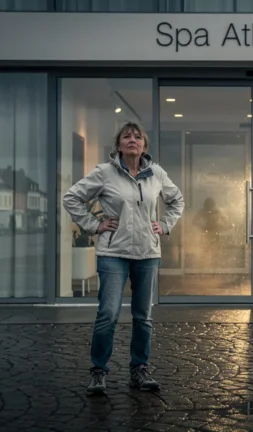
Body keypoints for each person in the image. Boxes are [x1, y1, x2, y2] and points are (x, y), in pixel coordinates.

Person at [63, 121, 184, 393]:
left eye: (137, 136)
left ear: (144, 146)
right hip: (113, 253)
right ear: (118, 145)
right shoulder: (104, 173)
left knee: (144, 316)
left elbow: (177, 201)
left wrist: (164, 225)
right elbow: (71, 198)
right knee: (108, 314)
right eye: (126, 136)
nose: (132, 139)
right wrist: (94, 225)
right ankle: (98, 372)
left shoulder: (157, 174)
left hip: (147, 253)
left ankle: (139, 369)